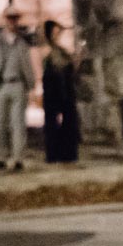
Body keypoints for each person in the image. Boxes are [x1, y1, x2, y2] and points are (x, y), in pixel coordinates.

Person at [0, 5, 35, 171]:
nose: (12, 21)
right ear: (5, 20)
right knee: (0, 124)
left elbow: (39, 39)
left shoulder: (23, 38)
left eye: (15, 18)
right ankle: (1, 157)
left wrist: (38, 17)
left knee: (18, 124)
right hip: (0, 85)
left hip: (18, 83)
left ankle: (18, 158)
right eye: (9, 18)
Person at [41, 19, 80, 164]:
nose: (58, 35)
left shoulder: (61, 50)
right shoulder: (47, 49)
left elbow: (69, 68)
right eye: (55, 32)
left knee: (68, 121)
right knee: (51, 122)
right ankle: (53, 153)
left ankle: (67, 152)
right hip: (53, 90)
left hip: (65, 90)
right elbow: (52, 65)